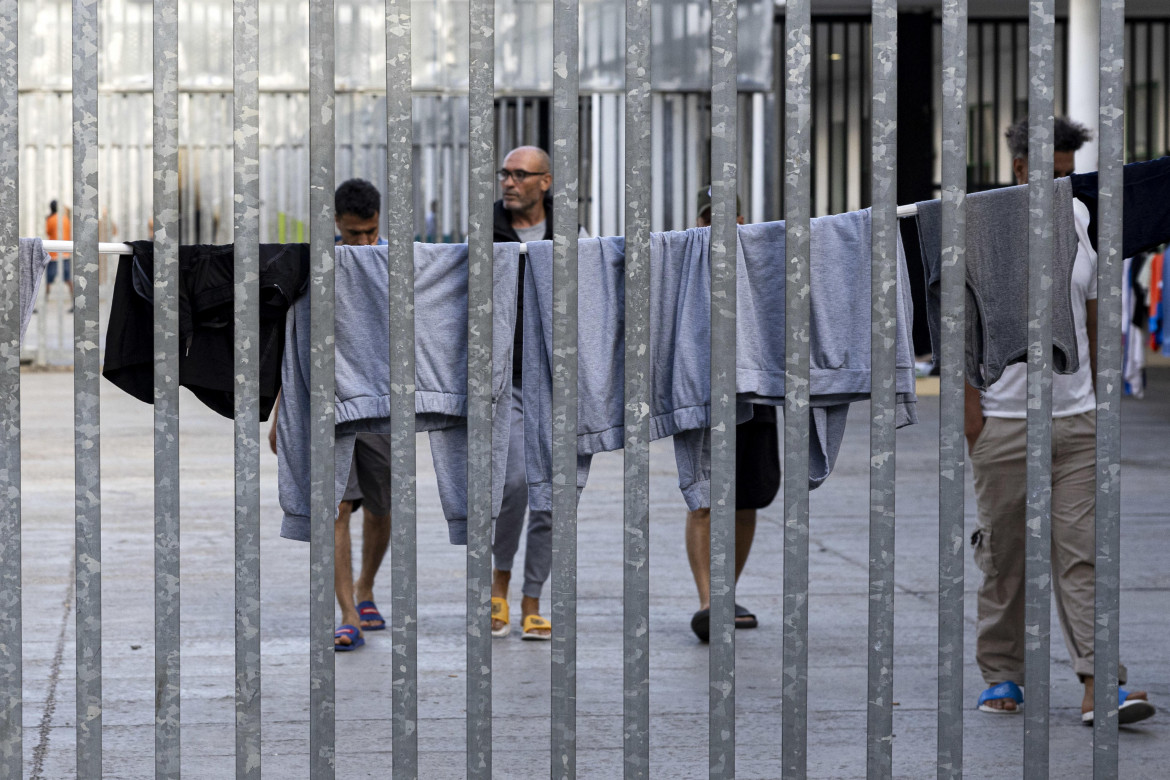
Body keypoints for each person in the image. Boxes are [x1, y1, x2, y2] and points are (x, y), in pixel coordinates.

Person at [966, 117, 1154, 725]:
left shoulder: (1078, 219)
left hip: (1075, 421)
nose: (1066, 184)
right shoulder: (982, 226)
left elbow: (1094, 316)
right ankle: (1003, 674)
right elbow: (958, 327)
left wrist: (1100, 401)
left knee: (1083, 556)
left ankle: (1102, 683)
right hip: (1005, 421)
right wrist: (976, 417)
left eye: (1072, 173)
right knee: (1005, 556)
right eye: (1056, 172)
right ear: (1021, 169)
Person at [268, 178, 392, 651]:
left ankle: (366, 589)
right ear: (335, 225)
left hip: (383, 405)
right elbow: (293, 343)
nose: (362, 242)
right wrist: (285, 407)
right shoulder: (314, 267)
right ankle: (346, 614)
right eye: (353, 233)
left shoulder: (395, 263)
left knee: (382, 507)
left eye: (370, 232)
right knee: (336, 507)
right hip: (328, 404)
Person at [685, 187, 781, 642]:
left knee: (748, 499)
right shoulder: (683, 262)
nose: (715, 224)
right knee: (705, 497)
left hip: (754, 392)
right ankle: (708, 602)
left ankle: (726, 594)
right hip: (702, 393)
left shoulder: (762, 259)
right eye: (707, 217)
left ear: (741, 217)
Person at [490, 145, 557, 640]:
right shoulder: (486, 233)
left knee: (552, 496)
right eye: (505, 173)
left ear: (545, 182)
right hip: (506, 378)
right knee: (514, 482)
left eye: (520, 174)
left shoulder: (567, 234)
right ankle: (499, 583)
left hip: (556, 380)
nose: (509, 182)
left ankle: (532, 598)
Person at [44, 200, 73, 306]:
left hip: (54, 254)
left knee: (48, 280)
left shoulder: (51, 219)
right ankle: (74, 302)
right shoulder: (65, 219)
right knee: (68, 279)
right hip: (65, 253)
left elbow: (47, 232)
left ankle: (44, 302)